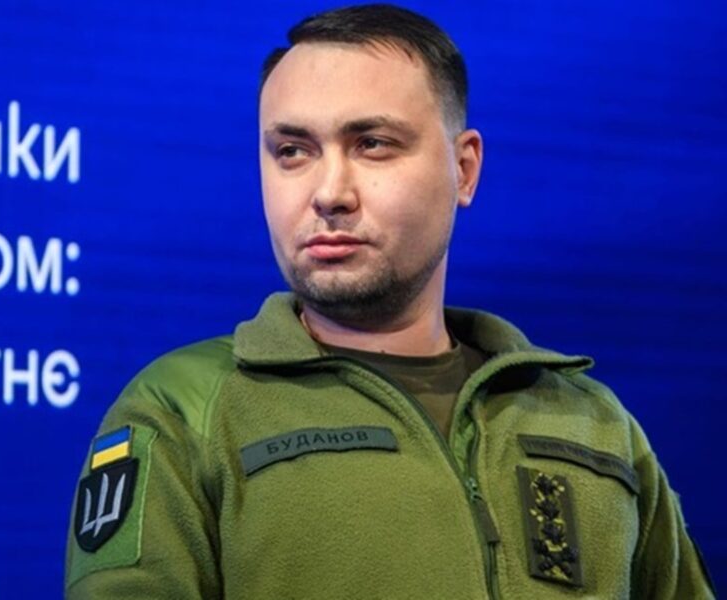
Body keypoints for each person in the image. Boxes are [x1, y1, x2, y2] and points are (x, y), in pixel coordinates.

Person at [64, 4, 715, 598]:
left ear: (464, 169)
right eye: (292, 151)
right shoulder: (185, 412)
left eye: (372, 144)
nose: (329, 193)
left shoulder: (590, 423)